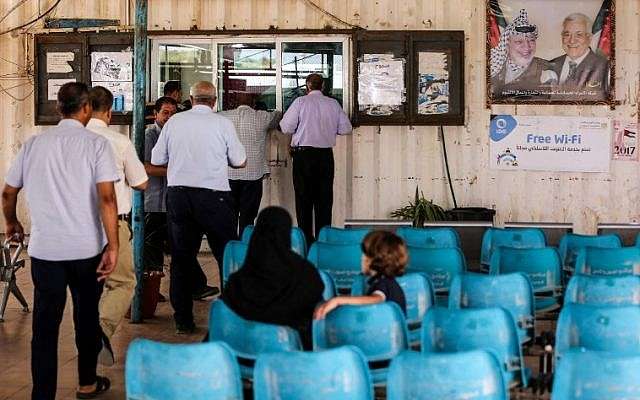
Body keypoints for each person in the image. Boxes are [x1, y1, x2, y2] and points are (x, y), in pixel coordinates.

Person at [2, 82, 119, 399]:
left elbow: (9, 191)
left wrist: (12, 222)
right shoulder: (96, 145)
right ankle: (86, 383)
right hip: (86, 249)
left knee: (45, 326)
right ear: (85, 109)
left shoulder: (34, 144)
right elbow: (108, 199)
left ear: (58, 108)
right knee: (86, 317)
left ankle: (42, 394)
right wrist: (114, 245)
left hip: (45, 251)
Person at [151, 81, 247, 334]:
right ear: (214, 101)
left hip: (180, 196)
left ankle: (183, 320)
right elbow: (239, 161)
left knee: (181, 260)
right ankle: (232, 317)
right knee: (227, 256)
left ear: (191, 100)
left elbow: (156, 159)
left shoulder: (174, 122)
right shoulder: (223, 124)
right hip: (215, 198)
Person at [86, 86, 149, 366]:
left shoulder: (71, 140)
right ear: (110, 112)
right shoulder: (117, 141)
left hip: (78, 226)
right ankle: (101, 329)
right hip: (114, 225)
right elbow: (141, 182)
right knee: (123, 282)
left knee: (85, 286)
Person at [144, 97, 216, 301]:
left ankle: (195, 286)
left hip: (174, 200)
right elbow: (147, 167)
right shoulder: (149, 135)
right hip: (155, 201)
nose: (169, 117)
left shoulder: (178, 133)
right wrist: (177, 169)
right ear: (155, 114)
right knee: (153, 248)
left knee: (181, 245)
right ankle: (151, 291)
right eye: (165, 113)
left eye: (173, 113)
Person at [223, 206, 324, 349]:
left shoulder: (236, 283)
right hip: (293, 363)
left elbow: (221, 325)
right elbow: (318, 320)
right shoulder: (305, 274)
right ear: (286, 234)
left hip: (242, 360)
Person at [280, 73, 352, 245]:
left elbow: (286, 127)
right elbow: (346, 129)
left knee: (303, 199)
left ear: (307, 86)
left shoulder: (300, 102)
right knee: (324, 200)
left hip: (303, 156)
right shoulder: (333, 104)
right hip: (325, 156)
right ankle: (323, 242)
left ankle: (306, 243)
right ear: (323, 87)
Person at [219, 92, 281, 236]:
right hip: (252, 175)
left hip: (229, 174)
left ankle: (231, 248)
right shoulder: (262, 116)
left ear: (235, 103)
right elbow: (278, 115)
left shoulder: (223, 116)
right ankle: (245, 247)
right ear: (253, 104)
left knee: (230, 215)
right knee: (248, 216)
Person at [314, 230, 407, 319]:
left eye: (365, 254)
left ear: (374, 259)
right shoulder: (387, 282)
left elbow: (376, 299)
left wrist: (338, 301)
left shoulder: (384, 284)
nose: (361, 258)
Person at [490, 9, 558, 101]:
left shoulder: (548, 70)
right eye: (519, 41)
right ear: (507, 44)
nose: (527, 47)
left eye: (531, 40)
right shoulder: (494, 69)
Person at [550, 13, 609, 100]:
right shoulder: (549, 65)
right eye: (567, 34)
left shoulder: (605, 67)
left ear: (589, 38)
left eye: (579, 35)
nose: (572, 40)